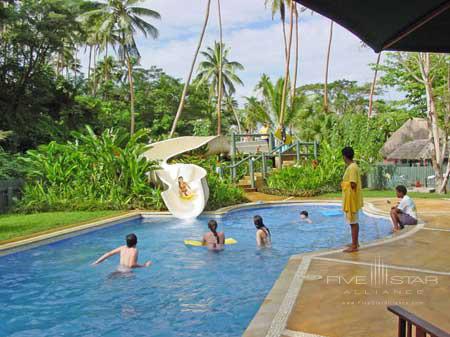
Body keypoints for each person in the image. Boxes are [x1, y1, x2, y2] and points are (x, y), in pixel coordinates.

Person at [341, 147, 363, 253]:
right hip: (351, 198)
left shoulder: (352, 167)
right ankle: (355, 242)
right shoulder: (352, 166)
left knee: (353, 222)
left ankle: (354, 246)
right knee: (353, 222)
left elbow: (353, 184)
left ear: (344, 156)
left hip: (352, 199)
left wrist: (344, 185)